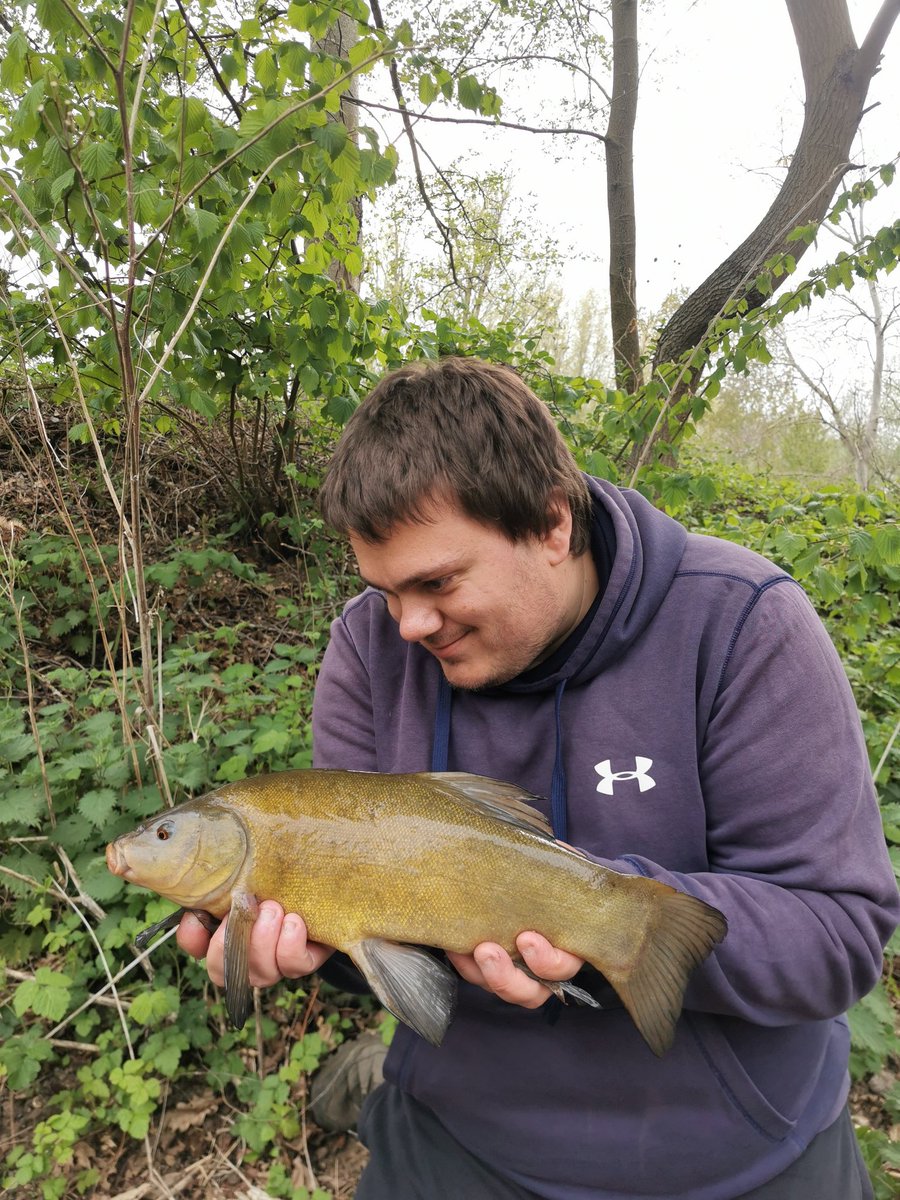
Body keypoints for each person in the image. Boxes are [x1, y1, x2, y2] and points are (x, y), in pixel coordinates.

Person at [178, 356, 899, 1199]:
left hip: (735, 1157)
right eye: (383, 590)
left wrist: (580, 917)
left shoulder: (739, 622)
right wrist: (304, 949)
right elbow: (377, 942)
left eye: (437, 582)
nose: (408, 624)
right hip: (460, 1133)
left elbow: (836, 934)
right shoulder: (371, 648)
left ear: (553, 525)